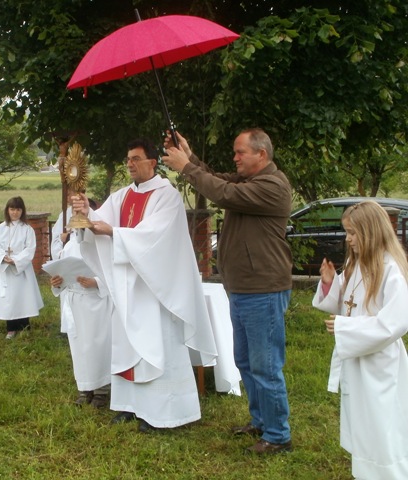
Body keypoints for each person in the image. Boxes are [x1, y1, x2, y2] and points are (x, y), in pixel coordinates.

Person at [71, 138, 217, 433]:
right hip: (127, 285)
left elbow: (156, 238)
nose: (130, 164)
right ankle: (130, 406)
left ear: (153, 163)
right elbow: (102, 221)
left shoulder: (167, 196)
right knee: (127, 346)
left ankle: (163, 412)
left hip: (155, 287)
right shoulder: (122, 195)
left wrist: (114, 233)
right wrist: (87, 211)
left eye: (136, 158)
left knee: (157, 343)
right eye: (128, 159)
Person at [163, 129, 293, 454]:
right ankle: (261, 422)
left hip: (263, 290)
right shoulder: (249, 182)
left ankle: (278, 436)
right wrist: (189, 156)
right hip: (244, 289)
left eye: (240, 152)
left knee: (265, 365)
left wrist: (184, 168)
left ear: (261, 155)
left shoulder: (272, 186)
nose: (235, 158)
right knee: (246, 361)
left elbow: (221, 193)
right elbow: (216, 179)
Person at [312, 201, 408, 479]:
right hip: (358, 358)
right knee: (363, 422)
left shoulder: (391, 270)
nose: (348, 238)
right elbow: (348, 301)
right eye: (347, 232)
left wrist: (346, 330)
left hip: (380, 364)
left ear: (372, 231)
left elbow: (395, 323)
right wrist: (332, 283)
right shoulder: (356, 263)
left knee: (381, 423)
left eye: (353, 232)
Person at [50, 216, 113, 408]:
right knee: (79, 347)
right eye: (76, 229)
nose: (78, 232)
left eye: (82, 228)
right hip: (74, 300)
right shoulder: (69, 246)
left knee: (97, 345)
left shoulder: (102, 245)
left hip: (96, 302)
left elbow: (114, 274)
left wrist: (96, 282)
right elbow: (61, 270)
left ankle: (102, 390)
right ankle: (85, 387)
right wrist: (57, 282)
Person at [0, 196, 43, 339]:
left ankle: (24, 326)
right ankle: (11, 328)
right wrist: (3, 258)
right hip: (6, 270)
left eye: (18, 209)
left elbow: (30, 249)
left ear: (22, 211)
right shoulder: (0, 229)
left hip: (21, 270)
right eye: (12, 209)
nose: (15, 212)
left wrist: (16, 260)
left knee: (23, 297)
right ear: (7, 210)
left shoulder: (27, 229)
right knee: (9, 299)